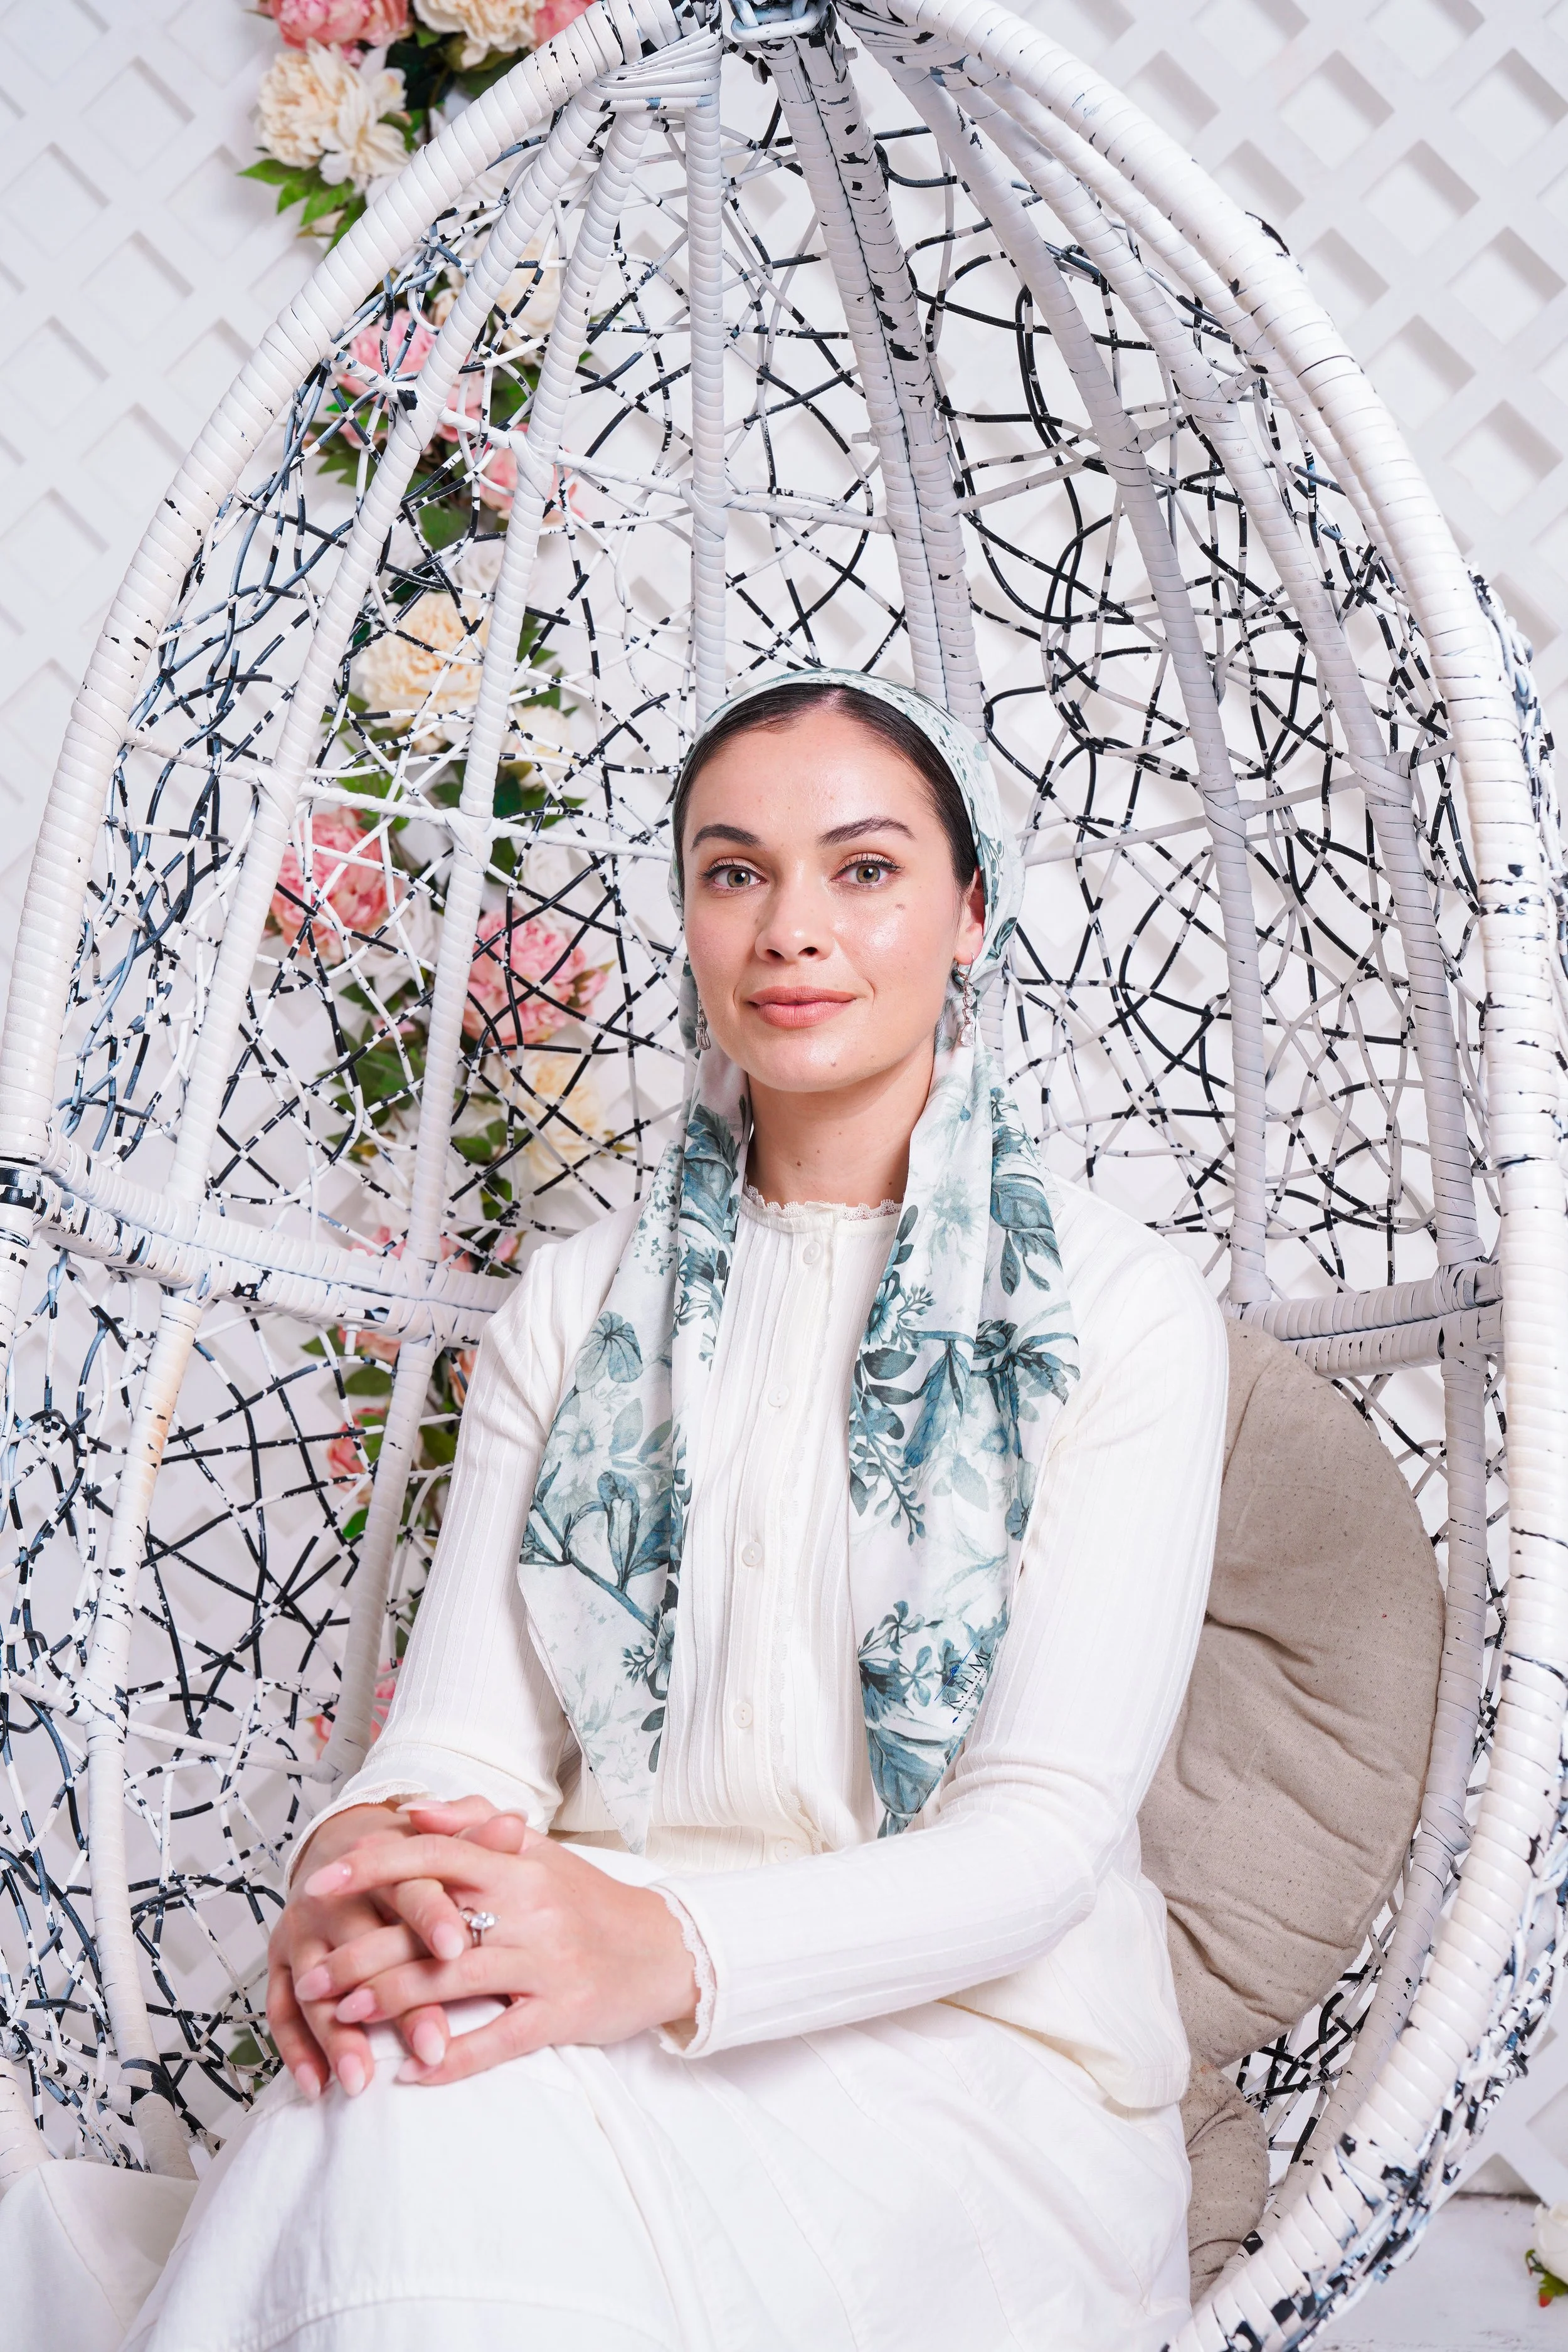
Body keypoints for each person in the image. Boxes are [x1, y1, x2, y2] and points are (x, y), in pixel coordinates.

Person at [122, 670, 1227, 2352]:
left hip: (976, 2067)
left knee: (407, 2121)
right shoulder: (574, 1304)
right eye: (733, 871)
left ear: (968, 910)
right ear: (690, 918)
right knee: (394, 2067)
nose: (792, 926)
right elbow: (458, 1759)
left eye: (862, 869)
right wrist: (362, 1890)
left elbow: (1035, 1846)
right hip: (578, 1992)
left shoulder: (1117, 1310)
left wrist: (656, 1940)